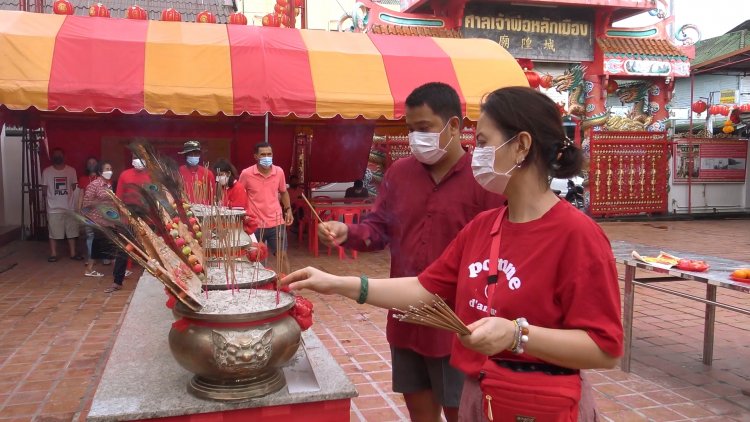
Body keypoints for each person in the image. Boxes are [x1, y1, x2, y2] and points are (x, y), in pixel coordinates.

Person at [290, 87, 623, 421]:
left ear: (520, 146)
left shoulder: (577, 236)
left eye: (482, 142)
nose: (475, 152)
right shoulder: (484, 226)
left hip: (537, 404)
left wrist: (516, 335)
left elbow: (604, 349)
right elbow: (424, 288)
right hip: (481, 395)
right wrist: (336, 283)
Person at [317, 82, 504, 422]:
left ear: (454, 127)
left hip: (458, 327)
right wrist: (348, 233)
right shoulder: (400, 173)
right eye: (410, 129)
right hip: (405, 318)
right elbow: (378, 230)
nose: (416, 137)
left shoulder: (484, 181)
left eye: (424, 128)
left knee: (462, 413)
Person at [238, 142, 293, 274]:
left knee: (282, 256)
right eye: (263, 154)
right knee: (256, 257)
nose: (266, 157)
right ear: (256, 156)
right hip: (255, 224)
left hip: (277, 222)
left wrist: (288, 209)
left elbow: (284, 191)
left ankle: (288, 285)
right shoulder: (246, 173)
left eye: (269, 154)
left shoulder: (279, 172)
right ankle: (259, 288)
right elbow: (239, 193)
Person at [108, 154, 152, 293]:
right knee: (124, 249)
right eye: (136, 156)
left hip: (147, 218)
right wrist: (120, 218)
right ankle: (117, 281)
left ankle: (155, 282)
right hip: (128, 216)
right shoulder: (125, 175)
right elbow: (118, 197)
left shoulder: (151, 176)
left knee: (151, 250)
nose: (139, 160)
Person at [42, 148, 82, 262]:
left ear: (64, 156)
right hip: (53, 208)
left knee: (72, 232)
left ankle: (73, 253)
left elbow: (74, 186)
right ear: (52, 157)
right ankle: (53, 254)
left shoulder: (71, 171)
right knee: (53, 233)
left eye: (59, 155)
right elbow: (44, 189)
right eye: (56, 155)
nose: (58, 157)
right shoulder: (46, 171)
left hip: (69, 207)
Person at [81, 161, 115, 277]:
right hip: (97, 220)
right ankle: (116, 269)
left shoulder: (109, 185)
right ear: (100, 172)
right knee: (104, 243)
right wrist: (99, 202)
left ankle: (90, 269)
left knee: (107, 243)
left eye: (110, 168)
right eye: (106, 169)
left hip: (108, 220)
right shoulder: (94, 185)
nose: (109, 171)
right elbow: (86, 203)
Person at [214, 158, 257, 234]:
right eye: (217, 175)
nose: (218, 178)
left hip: (236, 228)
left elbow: (237, 213)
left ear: (229, 173)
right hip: (225, 227)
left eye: (221, 175)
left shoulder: (238, 188)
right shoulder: (221, 188)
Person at [178, 140, 215, 205]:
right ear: (185, 155)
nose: (193, 156)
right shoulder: (178, 172)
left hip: (203, 211)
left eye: (196, 154)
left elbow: (212, 196)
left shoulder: (208, 173)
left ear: (199, 155)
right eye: (190, 154)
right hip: (185, 210)